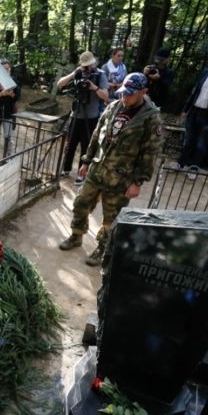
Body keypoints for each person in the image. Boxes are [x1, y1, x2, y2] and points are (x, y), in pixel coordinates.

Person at [58, 73, 163, 266]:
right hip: (98, 168)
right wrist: (86, 161)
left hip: (121, 178)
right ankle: (76, 236)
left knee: (111, 217)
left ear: (143, 92)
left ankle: (102, 248)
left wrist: (138, 182)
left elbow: (150, 153)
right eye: (123, 92)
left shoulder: (151, 118)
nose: (125, 97)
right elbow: (97, 135)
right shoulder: (114, 106)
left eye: (130, 94)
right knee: (81, 203)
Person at [57, 51, 109, 181]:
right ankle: (66, 169)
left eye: (88, 65)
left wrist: (94, 87)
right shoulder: (79, 72)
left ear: (93, 63)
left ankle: (82, 174)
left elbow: (106, 97)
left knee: (86, 146)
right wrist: (74, 73)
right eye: (84, 65)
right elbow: (60, 84)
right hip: (76, 114)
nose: (87, 68)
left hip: (91, 117)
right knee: (71, 144)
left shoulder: (100, 75)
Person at [0, 59, 21, 157]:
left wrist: (11, 95)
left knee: (9, 136)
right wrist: (1, 94)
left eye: (7, 69)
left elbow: (18, 97)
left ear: (10, 69)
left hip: (8, 113)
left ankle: (9, 155)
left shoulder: (14, 81)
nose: (5, 71)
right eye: (3, 69)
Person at [143, 47, 175, 111]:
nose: (159, 61)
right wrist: (144, 74)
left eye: (162, 59)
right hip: (145, 98)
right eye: (158, 59)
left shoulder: (169, 72)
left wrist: (158, 79)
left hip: (159, 101)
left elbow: (166, 84)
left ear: (167, 59)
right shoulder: (150, 68)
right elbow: (141, 82)